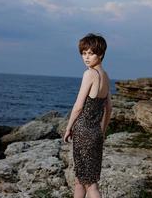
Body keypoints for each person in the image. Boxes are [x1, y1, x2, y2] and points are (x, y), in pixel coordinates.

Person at [63, 33, 112, 198]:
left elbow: (78, 106)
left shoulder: (90, 74)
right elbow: (109, 108)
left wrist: (68, 128)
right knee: (80, 180)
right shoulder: (106, 77)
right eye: (84, 53)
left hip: (83, 131)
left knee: (90, 184)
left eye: (90, 53)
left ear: (101, 54)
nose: (86, 57)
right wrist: (102, 131)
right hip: (96, 133)